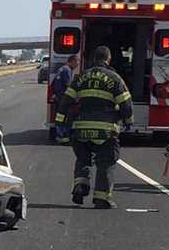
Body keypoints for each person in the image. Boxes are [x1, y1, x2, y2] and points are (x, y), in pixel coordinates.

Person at [55, 45, 132, 209]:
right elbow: (125, 103)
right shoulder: (115, 78)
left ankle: (80, 186)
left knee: (83, 159)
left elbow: (65, 102)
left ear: (93, 59)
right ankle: (101, 199)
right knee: (106, 162)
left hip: (80, 127)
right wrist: (128, 121)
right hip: (105, 130)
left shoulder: (80, 77)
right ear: (108, 59)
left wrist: (60, 123)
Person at [50, 54, 79, 144]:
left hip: (59, 98)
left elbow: (54, 84)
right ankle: (64, 136)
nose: (77, 64)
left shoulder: (62, 69)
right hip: (64, 98)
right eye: (77, 61)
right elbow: (68, 86)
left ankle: (60, 135)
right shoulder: (67, 70)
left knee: (60, 118)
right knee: (66, 118)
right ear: (72, 61)